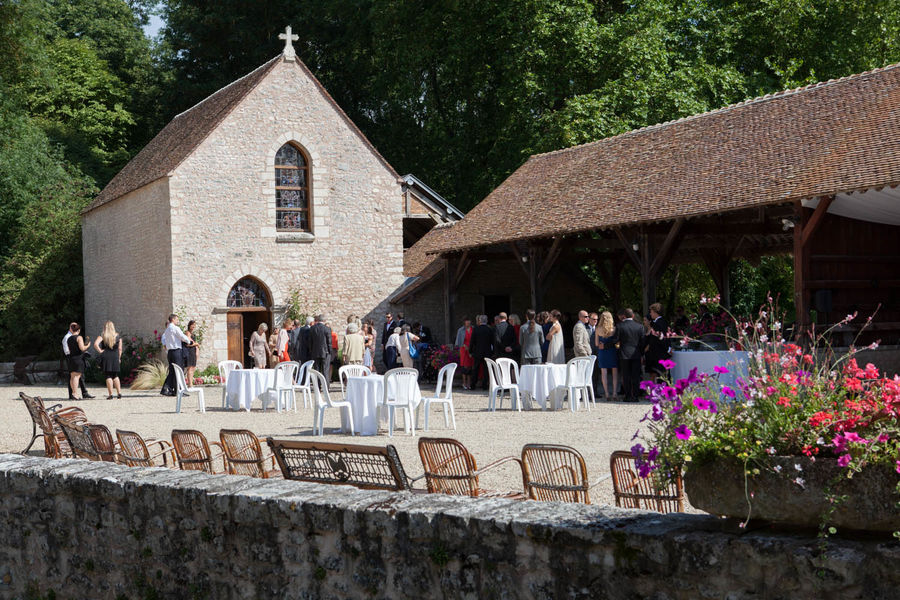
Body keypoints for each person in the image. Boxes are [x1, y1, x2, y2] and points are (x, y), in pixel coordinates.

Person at [617, 308, 645, 402]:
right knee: (636, 376)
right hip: (636, 354)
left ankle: (628, 395)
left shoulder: (620, 325)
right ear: (633, 316)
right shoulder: (640, 326)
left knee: (626, 376)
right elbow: (642, 342)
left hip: (624, 354)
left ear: (624, 316)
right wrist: (641, 354)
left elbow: (616, 340)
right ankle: (636, 396)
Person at [160, 313, 191, 395]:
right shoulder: (175, 328)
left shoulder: (166, 330)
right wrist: (189, 341)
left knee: (172, 371)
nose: (178, 321)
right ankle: (178, 390)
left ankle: (169, 389)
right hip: (176, 352)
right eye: (177, 319)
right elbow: (182, 336)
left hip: (170, 352)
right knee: (179, 371)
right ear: (173, 319)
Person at [93, 320, 123, 400]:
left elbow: (95, 344)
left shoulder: (102, 335)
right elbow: (120, 349)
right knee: (115, 375)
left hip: (106, 356)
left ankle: (110, 394)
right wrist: (119, 358)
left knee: (108, 375)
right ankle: (119, 393)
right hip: (115, 356)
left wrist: (100, 351)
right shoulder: (118, 336)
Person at [63, 322, 93, 399]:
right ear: (78, 330)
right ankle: (75, 393)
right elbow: (82, 348)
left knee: (72, 377)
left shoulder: (69, 338)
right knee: (77, 377)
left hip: (72, 358)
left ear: (71, 330)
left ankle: (73, 393)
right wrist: (88, 345)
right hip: (78, 358)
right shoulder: (79, 337)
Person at [595, 311, 619, 401]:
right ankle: (615, 393)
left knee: (604, 373)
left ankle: (606, 393)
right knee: (615, 373)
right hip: (612, 352)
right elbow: (616, 342)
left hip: (602, 352)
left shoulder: (598, 329)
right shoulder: (614, 329)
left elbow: (597, 344)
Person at [644, 302, 671, 377]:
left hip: (659, 353)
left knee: (661, 375)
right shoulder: (662, 321)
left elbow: (656, 339)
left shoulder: (658, 324)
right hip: (662, 353)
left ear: (656, 312)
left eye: (651, 312)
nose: (650, 314)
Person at [469, 315, 494, 390]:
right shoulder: (490, 329)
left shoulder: (476, 329)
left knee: (475, 369)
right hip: (487, 352)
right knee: (486, 370)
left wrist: (470, 351)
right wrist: (493, 352)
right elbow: (493, 341)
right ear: (486, 321)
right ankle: (484, 385)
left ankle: (473, 385)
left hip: (477, 352)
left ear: (480, 321)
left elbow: (472, 341)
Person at [456, 317, 474, 389]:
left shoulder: (473, 329)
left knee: (470, 366)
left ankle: (469, 383)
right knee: (464, 366)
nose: (468, 322)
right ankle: (464, 382)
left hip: (471, 349)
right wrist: (464, 345)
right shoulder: (460, 330)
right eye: (466, 321)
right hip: (464, 349)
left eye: (469, 321)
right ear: (464, 322)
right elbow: (458, 340)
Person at [182, 320, 200, 387]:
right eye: (192, 325)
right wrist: (196, 344)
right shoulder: (187, 333)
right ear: (189, 325)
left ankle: (190, 383)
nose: (193, 326)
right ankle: (190, 384)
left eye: (194, 325)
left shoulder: (192, 333)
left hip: (193, 352)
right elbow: (188, 344)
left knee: (193, 368)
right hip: (189, 352)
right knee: (190, 368)